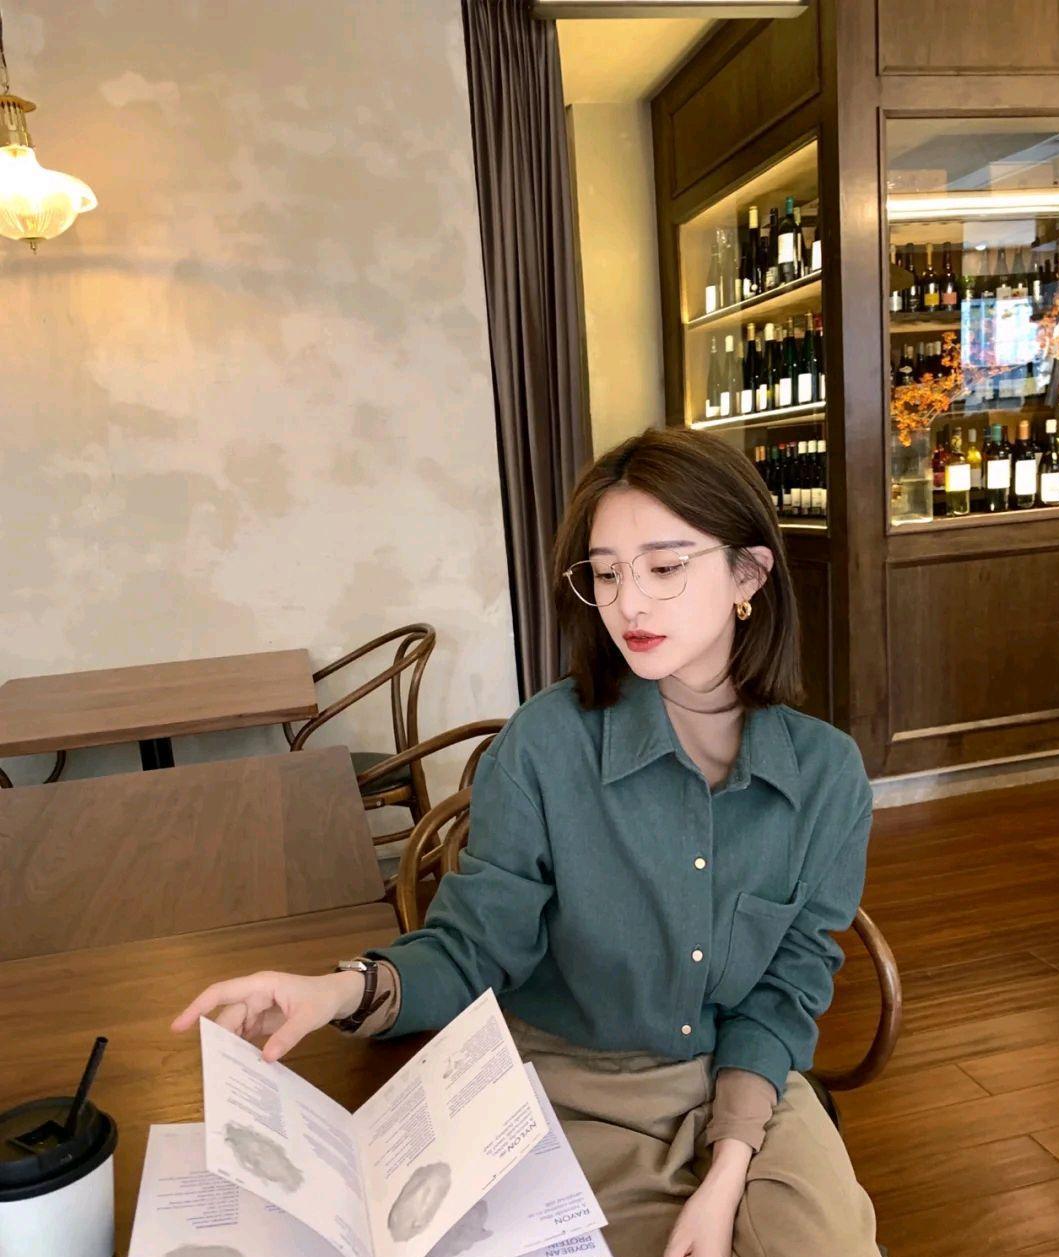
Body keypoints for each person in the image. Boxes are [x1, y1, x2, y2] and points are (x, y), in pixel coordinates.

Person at [172, 428, 880, 1257]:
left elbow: (785, 989)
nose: (629, 603)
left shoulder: (826, 774)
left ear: (748, 575)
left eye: (663, 567)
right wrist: (336, 991)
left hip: (748, 1082)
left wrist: (729, 1167)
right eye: (606, 573)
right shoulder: (547, 744)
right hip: (577, 1091)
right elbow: (473, 947)